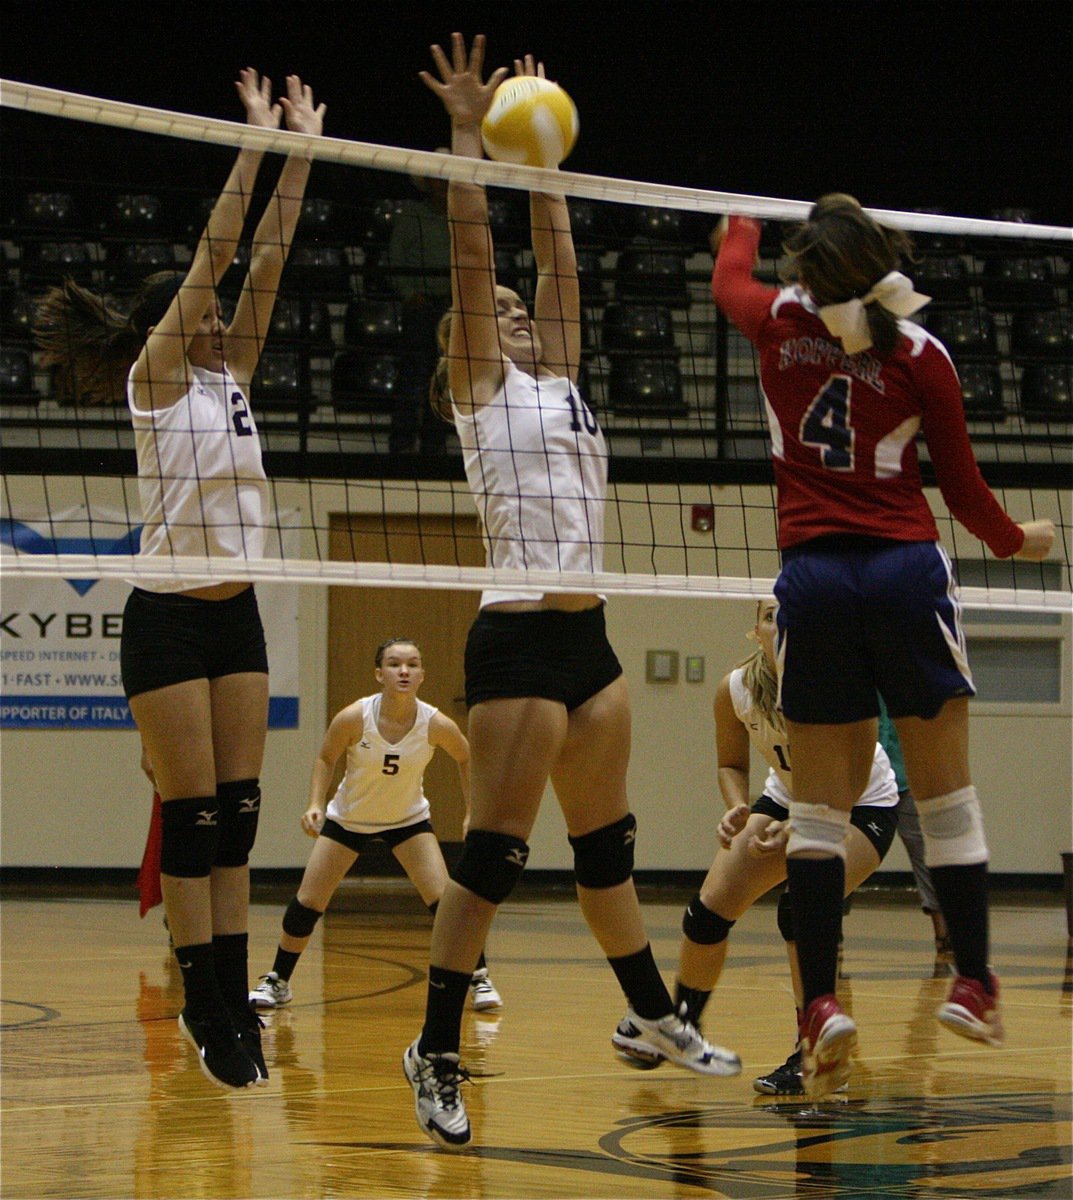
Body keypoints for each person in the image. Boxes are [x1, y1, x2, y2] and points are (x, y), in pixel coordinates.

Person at [402, 33, 740, 1152]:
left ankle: (649, 1010)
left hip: (589, 641)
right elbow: (469, 257)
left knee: (608, 850)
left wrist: (543, 166)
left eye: (514, 307)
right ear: (463, 342)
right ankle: (435, 1049)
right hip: (514, 645)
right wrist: (467, 136)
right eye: (488, 309)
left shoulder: (559, 378)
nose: (506, 309)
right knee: (493, 858)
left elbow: (560, 269)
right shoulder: (478, 391)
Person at [710, 196, 1054, 1097]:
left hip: (813, 580)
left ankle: (819, 1003)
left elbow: (727, 281)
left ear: (806, 273)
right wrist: (1024, 542)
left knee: (817, 814)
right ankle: (972, 985)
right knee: (947, 799)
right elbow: (968, 495)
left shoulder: (777, 324)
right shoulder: (919, 355)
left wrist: (737, 225)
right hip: (904, 573)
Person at [35, 70, 326, 1091]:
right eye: (204, 312)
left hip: (234, 617)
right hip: (164, 617)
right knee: (194, 818)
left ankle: (232, 1004)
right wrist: (251, 144)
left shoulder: (229, 373)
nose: (221, 319)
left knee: (239, 817)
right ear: (178, 318)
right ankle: (202, 1007)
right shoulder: (156, 377)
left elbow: (270, 259)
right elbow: (219, 254)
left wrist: (303, 151)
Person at [657, 597, 899, 1096]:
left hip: (861, 806)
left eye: (793, 613)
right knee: (708, 912)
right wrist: (737, 809)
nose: (781, 622)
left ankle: (812, 1051)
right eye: (771, 616)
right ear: (757, 631)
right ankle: (682, 1030)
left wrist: (806, 827)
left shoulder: (843, 681)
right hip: (786, 798)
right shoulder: (737, 689)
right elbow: (732, 765)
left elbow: (852, 776)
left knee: (799, 907)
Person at [249, 637, 502, 1013]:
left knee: (446, 902)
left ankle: (478, 979)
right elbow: (325, 757)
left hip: (408, 820)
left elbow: (466, 758)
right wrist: (315, 804)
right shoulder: (355, 717)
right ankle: (278, 980)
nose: (404, 671)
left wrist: (472, 813)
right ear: (378, 673)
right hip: (349, 820)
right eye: (395, 664)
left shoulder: (435, 723)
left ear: (422, 675)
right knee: (308, 902)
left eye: (412, 664)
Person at [386, 155, 452, 455]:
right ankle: (401, 445)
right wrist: (409, 293)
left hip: (451, 310)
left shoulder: (460, 214)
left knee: (445, 378)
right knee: (413, 376)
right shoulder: (412, 215)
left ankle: (434, 446)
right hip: (421, 307)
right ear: (427, 182)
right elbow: (396, 257)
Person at [878, 696, 952, 961]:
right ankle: (833, 932)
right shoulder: (857, 677)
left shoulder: (906, 680)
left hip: (906, 779)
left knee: (926, 854)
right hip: (866, 783)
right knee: (844, 853)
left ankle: (944, 933)